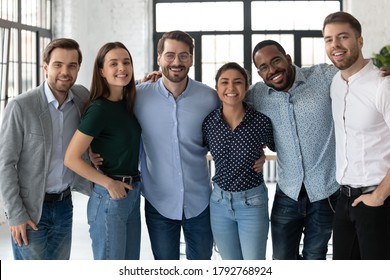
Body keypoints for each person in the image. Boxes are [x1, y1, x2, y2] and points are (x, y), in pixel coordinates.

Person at [246, 40, 340, 260]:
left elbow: (356, 74)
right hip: (288, 192)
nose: (272, 70)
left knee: (314, 257)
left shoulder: (323, 76)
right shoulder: (258, 95)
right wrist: (157, 82)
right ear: (259, 74)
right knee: (281, 260)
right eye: (263, 67)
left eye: (276, 60)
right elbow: (227, 97)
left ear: (287, 59)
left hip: (325, 193)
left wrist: (379, 73)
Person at [0, 38, 90, 260]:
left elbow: (111, 96)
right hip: (30, 210)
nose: (65, 72)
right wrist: (16, 215)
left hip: (64, 206)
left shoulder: (81, 98)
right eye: (58, 64)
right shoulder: (21, 106)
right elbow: (5, 163)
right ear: (46, 67)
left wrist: (148, 81)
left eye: (72, 65)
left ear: (79, 68)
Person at [133, 30, 220, 260]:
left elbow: (231, 131)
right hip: (158, 202)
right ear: (159, 57)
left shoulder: (210, 98)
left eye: (183, 56)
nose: (176, 62)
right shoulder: (138, 96)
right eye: (170, 55)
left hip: (200, 202)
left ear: (191, 58)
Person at [64, 42, 141, 260]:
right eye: (113, 63)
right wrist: (108, 184)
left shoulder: (127, 104)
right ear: (101, 71)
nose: (122, 68)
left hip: (132, 193)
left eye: (126, 62)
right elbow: (71, 158)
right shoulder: (99, 108)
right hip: (110, 196)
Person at [323, 11, 390, 259]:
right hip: (344, 199)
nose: (335, 45)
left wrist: (379, 196)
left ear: (359, 41)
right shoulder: (335, 84)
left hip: (378, 201)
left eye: (343, 37)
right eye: (329, 39)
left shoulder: (382, 84)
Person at [202, 62, 275, 260]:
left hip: (252, 202)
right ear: (217, 88)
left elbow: (280, 147)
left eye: (238, 82)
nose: (231, 88)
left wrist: (263, 156)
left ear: (246, 87)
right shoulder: (209, 123)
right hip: (218, 202)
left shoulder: (260, 121)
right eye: (224, 82)